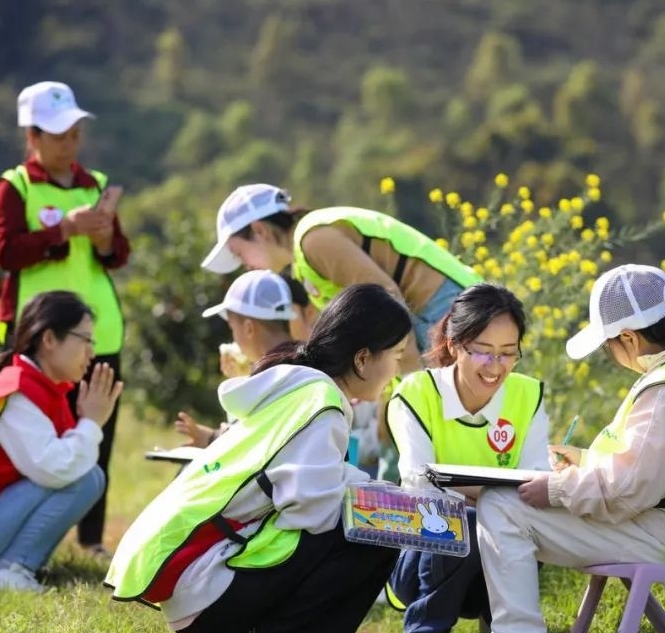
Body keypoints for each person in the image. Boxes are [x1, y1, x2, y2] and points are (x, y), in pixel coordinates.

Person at [106, 283, 413, 633]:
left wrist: (361, 485)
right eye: (397, 355)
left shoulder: (300, 386)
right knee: (378, 534)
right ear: (362, 359)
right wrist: (384, 504)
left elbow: (305, 478)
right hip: (209, 587)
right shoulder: (323, 403)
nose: (396, 371)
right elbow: (310, 510)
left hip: (196, 579)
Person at [476, 264, 665, 633]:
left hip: (657, 534)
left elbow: (629, 489)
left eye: (609, 346)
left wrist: (555, 488)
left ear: (629, 339)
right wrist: (584, 461)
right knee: (504, 503)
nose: (613, 356)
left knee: (500, 505)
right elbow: (654, 469)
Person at [201, 183, 483, 480]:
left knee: (437, 440)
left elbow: (387, 302)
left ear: (259, 231)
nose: (244, 266)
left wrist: (407, 384)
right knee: (404, 437)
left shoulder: (313, 239)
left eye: (238, 252)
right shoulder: (303, 264)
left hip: (448, 310)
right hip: (424, 320)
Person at [0, 81, 131, 554]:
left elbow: (117, 255)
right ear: (32, 136)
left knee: (98, 434)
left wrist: (106, 238)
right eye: (57, 134)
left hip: (98, 332)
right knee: (34, 438)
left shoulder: (97, 184)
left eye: (74, 132)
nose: (68, 143)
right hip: (38, 340)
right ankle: (27, 537)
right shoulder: (16, 186)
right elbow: (5, 251)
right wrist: (64, 229)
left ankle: (90, 541)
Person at [0, 291, 122, 591]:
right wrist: (91, 423)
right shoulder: (17, 391)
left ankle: (18, 563)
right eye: (85, 339)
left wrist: (85, 423)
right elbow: (54, 468)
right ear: (50, 339)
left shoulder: (42, 387)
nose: (92, 352)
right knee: (84, 477)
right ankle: (10, 570)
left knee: (88, 475)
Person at [385, 284, 550, 633]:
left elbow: (536, 481)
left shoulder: (527, 395)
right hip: (419, 555)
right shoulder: (415, 394)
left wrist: (468, 490)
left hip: (501, 553)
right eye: (483, 351)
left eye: (508, 353)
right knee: (468, 524)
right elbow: (420, 483)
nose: (496, 366)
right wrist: (496, 497)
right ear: (455, 344)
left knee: (497, 527)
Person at [175, 269, 296, 447]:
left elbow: (254, 447)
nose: (233, 337)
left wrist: (241, 385)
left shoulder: (269, 380)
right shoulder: (302, 362)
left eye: (232, 327)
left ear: (249, 328)